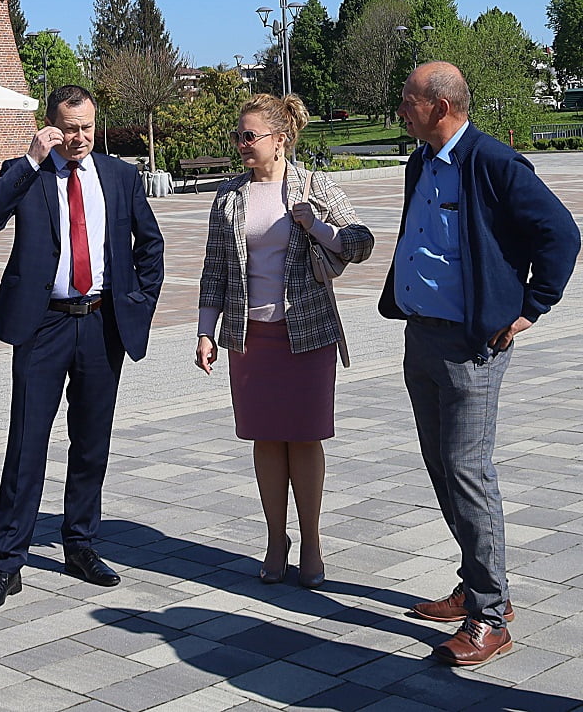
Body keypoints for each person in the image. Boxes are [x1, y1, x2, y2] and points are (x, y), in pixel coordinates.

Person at [382, 63, 578, 665]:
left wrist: (530, 307)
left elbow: (561, 234)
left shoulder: (493, 162)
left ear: (440, 106)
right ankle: (476, 581)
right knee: (441, 465)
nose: (401, 109)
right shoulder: (422, 162)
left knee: (468, 470)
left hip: (473, 346)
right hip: (423, 336)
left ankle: (491, 614)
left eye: (408, 100)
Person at [0, 84, 165, 609]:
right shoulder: (28, 172)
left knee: (91, 443)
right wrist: (32, 160)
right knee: (27, 444)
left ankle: (80, 545)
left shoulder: (120, 177)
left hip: (102, 324)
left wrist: (137, 304)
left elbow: (150, 243)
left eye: (86, 127)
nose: (79, 138)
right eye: (69, 128)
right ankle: (8, 564)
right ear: (50, 126)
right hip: (43, 326)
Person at [194, 94, 374, 588]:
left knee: (306, 437)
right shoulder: (229, 196)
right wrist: (205, 331)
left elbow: (362, 242)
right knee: (266, 438)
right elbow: (215, 271)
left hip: (308, 333)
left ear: (281, 139)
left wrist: (316, 225)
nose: (241, 144)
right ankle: (277, 539)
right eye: (238, 135)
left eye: (249, 136)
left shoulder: (315, 186)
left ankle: (312, 540)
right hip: (250, 336)